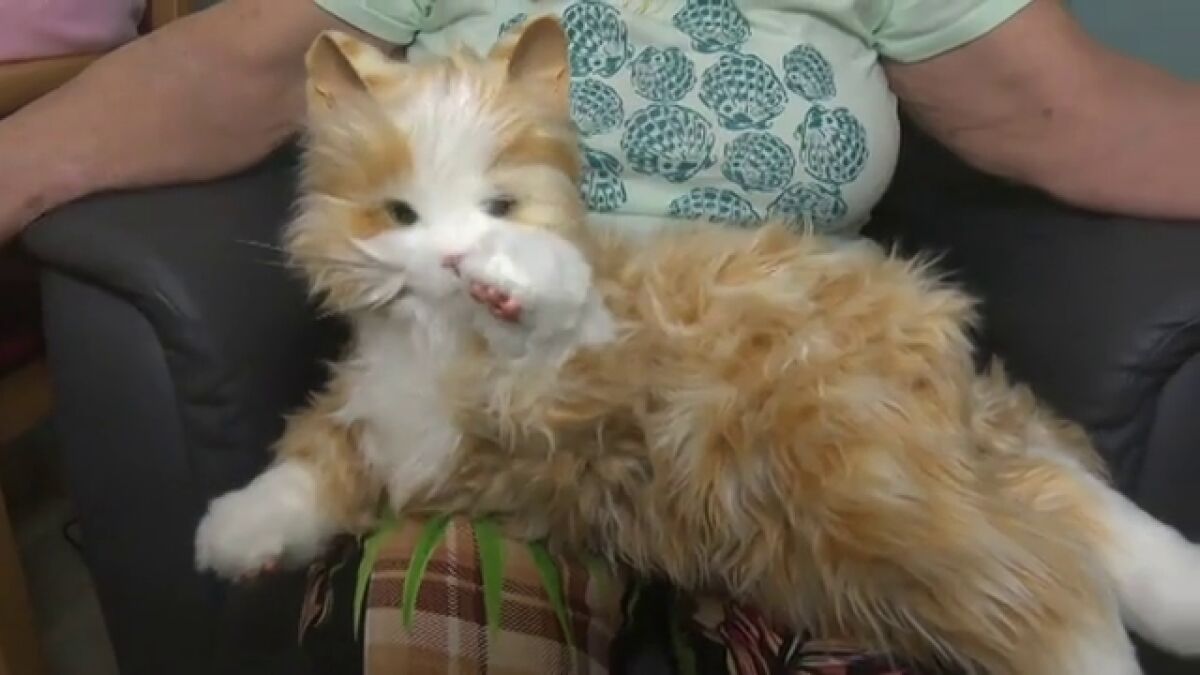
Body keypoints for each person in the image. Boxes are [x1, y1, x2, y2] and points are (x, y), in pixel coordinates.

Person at [1, 0, 1197, 672]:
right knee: (438, 613)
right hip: (488, 396)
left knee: (913, 609)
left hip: (774, 390)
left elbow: (1068, 112)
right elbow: (226, 72)